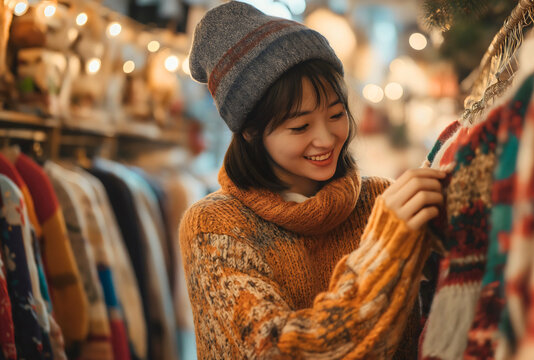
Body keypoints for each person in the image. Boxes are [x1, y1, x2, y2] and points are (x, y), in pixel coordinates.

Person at [179, 1, 446, 358]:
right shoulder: (216, 226)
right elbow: (278, 349)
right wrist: (383, 249)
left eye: (336, 114)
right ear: (251, 132)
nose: (326, 138)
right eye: (300, 126)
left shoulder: (382, 199)